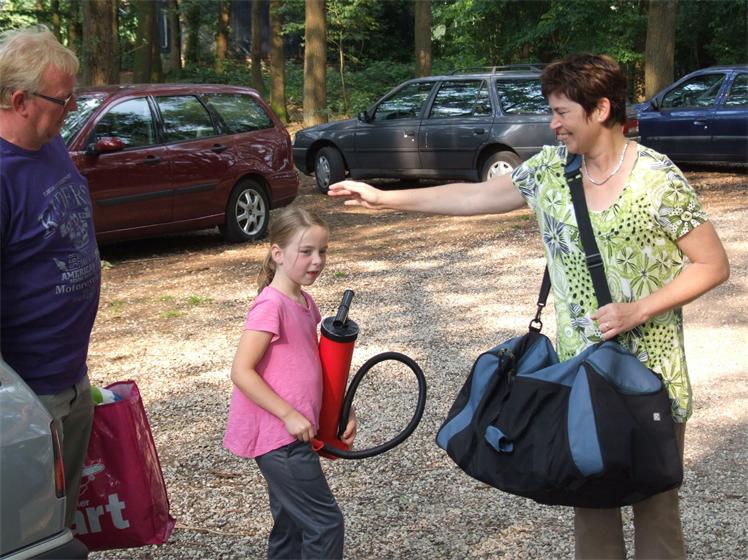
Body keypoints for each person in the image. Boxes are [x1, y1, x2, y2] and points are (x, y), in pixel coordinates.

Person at [329, 53, 730, 559]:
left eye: (562, 112)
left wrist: (640, 309)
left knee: (657, 512)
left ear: (601, 109)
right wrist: (384, 199)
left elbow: (712, 264)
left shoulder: (656, 178)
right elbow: (474, 197)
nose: (553, 123)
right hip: (580, 374)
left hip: (651, 375)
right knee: (591, 503)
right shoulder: (550, 172)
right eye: (552, 111)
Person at [0, 25, 100, 529]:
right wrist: (7, 402)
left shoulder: (50, 142)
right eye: (63, 100)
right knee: (32, 532)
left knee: (63, 523)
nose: (72, 108)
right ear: (19, 100)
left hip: (70, 376)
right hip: (26, 397)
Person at [223, 206, 357, 560]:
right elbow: (242, 371)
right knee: (325, 524)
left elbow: (316, 365)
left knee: (293, 524)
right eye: (306, 251)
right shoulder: (271, 305)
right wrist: (288, 414)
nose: (317, 261)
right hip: (279, 438)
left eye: (323, 251)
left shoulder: (305, 302)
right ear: (278, 254)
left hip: (295, 433)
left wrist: (344, 409)